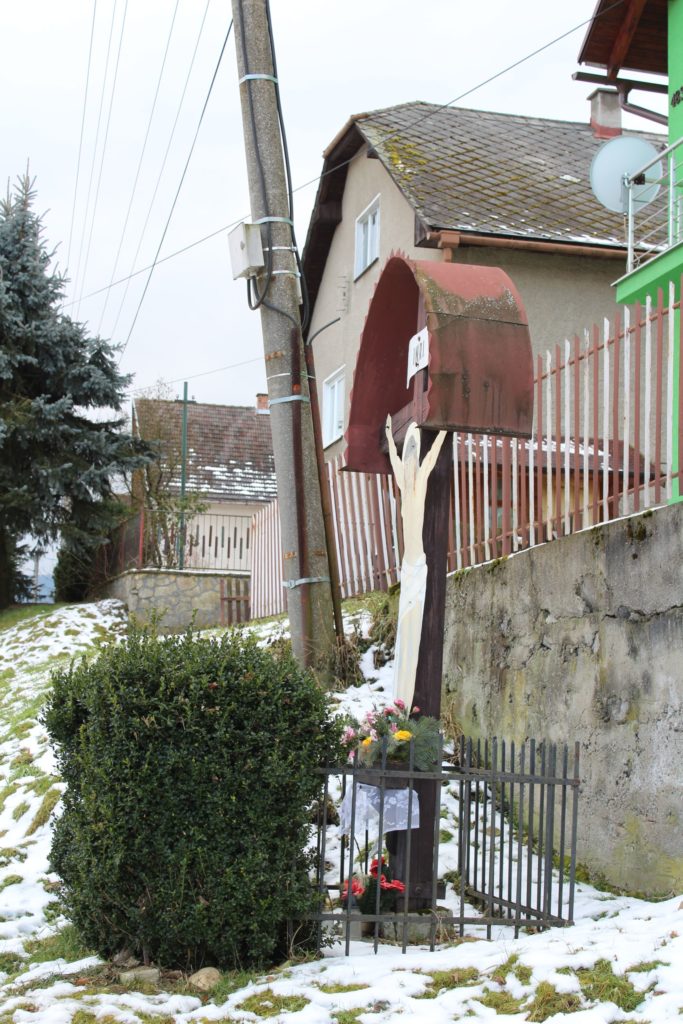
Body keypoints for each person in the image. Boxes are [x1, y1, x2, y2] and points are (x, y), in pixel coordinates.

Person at [385, 414, 446, 709]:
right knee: (404, 635)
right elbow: (394, 458)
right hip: (408, 566)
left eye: (413, 450)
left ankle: (406, 701)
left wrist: (444, 431)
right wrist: (389, 434)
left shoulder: (421, 479)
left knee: (413, 632)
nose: (409, 457)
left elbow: (432, 456)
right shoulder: (402, 480)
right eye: (407, 451)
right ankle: (400, 700)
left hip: (418, 562)